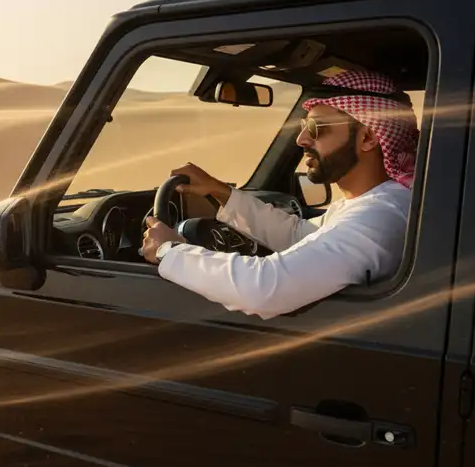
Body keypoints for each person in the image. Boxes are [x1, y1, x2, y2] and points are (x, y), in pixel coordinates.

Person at [140, 69, 419, 320]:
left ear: (368, 138)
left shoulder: (379, 216)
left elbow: (264, 288)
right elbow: (302, 235)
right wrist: (220, 192)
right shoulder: (376, 201)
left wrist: (170, 251)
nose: (301, 141)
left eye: (315, 129)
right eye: (302, 129)